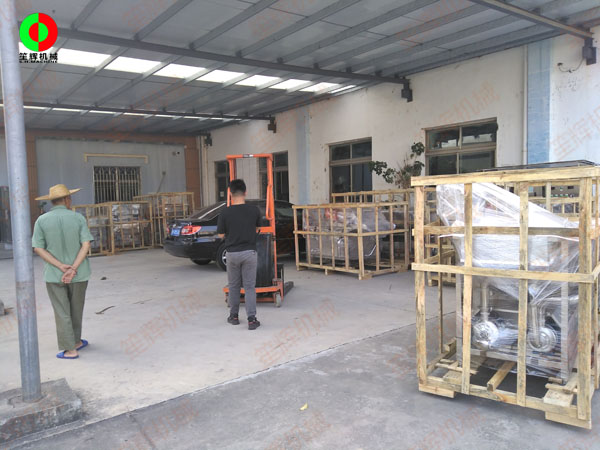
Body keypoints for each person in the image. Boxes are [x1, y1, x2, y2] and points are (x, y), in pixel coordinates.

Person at [32, 184, 94, 359]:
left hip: (54, 274)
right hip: (79, 273)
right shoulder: (78, 218)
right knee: (76, 308)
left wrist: (61, 266)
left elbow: (38, 248)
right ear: (67, 199)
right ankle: (75, 342)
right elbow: (86, 245)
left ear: (51, 201)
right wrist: (73, 268)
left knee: (62, 311)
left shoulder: (41, 220)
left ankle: (70, 348)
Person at [217, 179, 261, 330]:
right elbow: (258, 229)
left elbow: (220, 235)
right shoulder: (254, 210)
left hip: (232, 254)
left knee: (234, 286)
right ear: (245, 192)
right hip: (249, 253)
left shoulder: (225, 212)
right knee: (249, 287)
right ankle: (251, 320)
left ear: (230, 193)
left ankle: (234, 316)